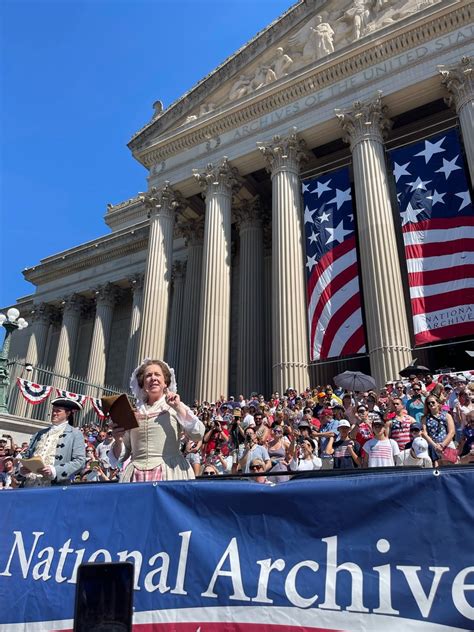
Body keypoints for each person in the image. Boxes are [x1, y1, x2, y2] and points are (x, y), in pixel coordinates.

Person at [110, 359, 204, 482]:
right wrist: (118, 440)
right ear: (142, 384)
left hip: (170, 473)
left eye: (157, 374)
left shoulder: (175, 406)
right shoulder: (133, 413)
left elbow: (197, 435)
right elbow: (122, 455)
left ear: (165, 383)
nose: (153, 378)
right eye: (148, 375)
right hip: (136, 476)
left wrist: (178, 407)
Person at [21, 397, 86, 487]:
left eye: (58, 411)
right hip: (29, 485)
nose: (54, 413)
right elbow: (26, 457)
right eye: (53, 410)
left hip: (53, 487)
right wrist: (23, 470)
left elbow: (80, 461)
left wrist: (54, 471)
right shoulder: (39, 433)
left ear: (67, 413)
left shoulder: (75, 434)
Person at [421, 395, 456, 467]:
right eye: (428, 403)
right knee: (436, 468)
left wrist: (442, 445)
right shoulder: (425, 418)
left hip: (447, 444)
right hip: (433, 445)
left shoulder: (447, 415)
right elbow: (424, 434)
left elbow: (452, 432)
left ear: (438, 403)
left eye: (433, 402)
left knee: (452, 468)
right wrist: (435, 446)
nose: (431, 404)